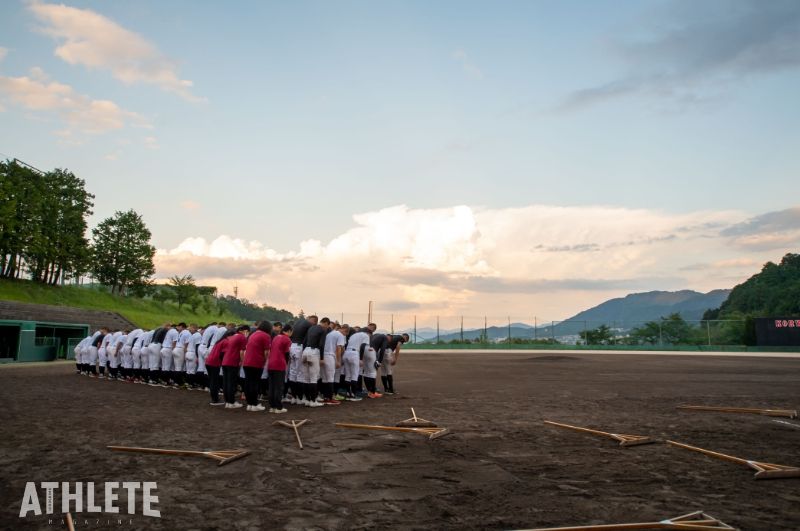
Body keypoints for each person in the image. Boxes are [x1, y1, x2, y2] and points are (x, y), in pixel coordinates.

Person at [242, 322, 271, 412]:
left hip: (246, 362)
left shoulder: (253, 334)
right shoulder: (266, 336)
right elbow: (266, 351)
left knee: (248, 383)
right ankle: (254, 404)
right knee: (255, 384)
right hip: (256, 362)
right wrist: (265, 361)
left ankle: (249, 404)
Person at [300, 317, 328, 407]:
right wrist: (322, 358)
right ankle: (313, 401)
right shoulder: (323, 330)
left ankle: (307, 400)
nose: (327, 327)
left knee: (306, 378)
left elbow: (304, 342)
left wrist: (304, 354)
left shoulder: (311, 328)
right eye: (327, 326)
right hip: (314, 352)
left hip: (306, 351)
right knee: (313, 378)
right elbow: (321, 345)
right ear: (326, 323)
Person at [288, 315, 315, 404]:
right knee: (301, 373)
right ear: (312, 321)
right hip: (300, 347)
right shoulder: (309, 325)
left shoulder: (297, 322)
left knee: (292, 373)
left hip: (292, 346)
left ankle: (294, 397)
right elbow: (307, 339)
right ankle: (299, 398)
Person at [221, 325, 250, 409]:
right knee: (231, 383)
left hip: (225, 361)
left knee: (226, 382)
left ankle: (227, 402)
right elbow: (241, 352)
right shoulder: (242, 337)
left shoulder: (233, 336)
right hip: (233, 362)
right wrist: (243, 361)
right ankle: (231, 402)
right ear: (245, 331)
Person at [205, 329, 234, 406]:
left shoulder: (220, 341)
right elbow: (222, 354)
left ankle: (214, 398)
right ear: (229, 335)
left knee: (212, 381)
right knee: (214, 382)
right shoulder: (226, 342)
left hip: (209, 361)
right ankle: (215, 400)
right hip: (215, 362)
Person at [268, 324, 291, 413]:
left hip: (271, 363)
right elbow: (287, 353)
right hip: (279, 364)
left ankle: (272, 406)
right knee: (279, 386)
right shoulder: (287, 339)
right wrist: (286, 363)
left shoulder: (276, 337)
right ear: (289, 331)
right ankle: (278, 407)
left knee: (272, 386)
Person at [322, 323, 346, 405]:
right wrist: (338, 361)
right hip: (330, 356)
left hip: (323, 356)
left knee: (325, 378)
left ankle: (325, 397)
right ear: (344, 330)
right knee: (331, 378)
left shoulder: (329, 334)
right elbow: (338, 348)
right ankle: (330, 398)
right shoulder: (340, 335)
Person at [343, 326, 370, 401]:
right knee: (355, 375)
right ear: (367, 332)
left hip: (346, 353)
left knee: (348, 375)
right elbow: (363, 346)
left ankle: (348, 394)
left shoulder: (353, 335)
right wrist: (361, 359)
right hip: (354, 354)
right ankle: (353, 395)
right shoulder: (365, 335)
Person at [173, 323, 191, 388]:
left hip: (176, 349)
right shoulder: (187, 332)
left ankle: (176, 382)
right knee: (179, 367)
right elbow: (187, 342)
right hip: (180, 349)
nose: (178, 328)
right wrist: (185, 351)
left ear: (182, 327)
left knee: (177, 367)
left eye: (179, 326)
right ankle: (178, 382)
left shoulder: (181, 332)